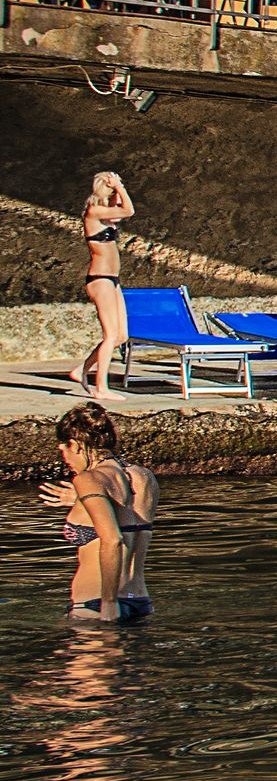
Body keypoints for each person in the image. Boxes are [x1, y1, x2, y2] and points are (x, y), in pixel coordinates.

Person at [41, 404, 154, 627]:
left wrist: (109, 601)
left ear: (75, 445)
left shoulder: (88, 479)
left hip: (97, 604)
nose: (66, 461)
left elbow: (113, 540)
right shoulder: (144, 477)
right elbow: (128, 523)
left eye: (64, 451)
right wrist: (83, 501)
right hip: (139, 601)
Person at [70, 172, 133, 397]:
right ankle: (101, 388)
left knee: (121, 336)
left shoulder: (107, 215)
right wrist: (118, 186)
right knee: (110, 335)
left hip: (113, 280)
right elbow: (129, 210)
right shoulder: (94, 212)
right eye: (113, 189)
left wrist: (118, 189)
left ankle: (81, 370)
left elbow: (121, 211)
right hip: (99, 279)